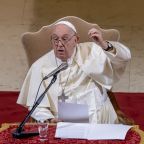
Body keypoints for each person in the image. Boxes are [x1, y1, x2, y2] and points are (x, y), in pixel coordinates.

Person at [17, 21, 131, 124]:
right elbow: (36, 104)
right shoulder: (40, 66)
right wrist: (50, 119)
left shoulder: (92, 51)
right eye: (55, 39)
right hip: (62, 122)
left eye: (65, 38)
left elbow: (124, 58)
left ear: (76, 40)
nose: (59, 44)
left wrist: (104, 45)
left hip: (99, 117)